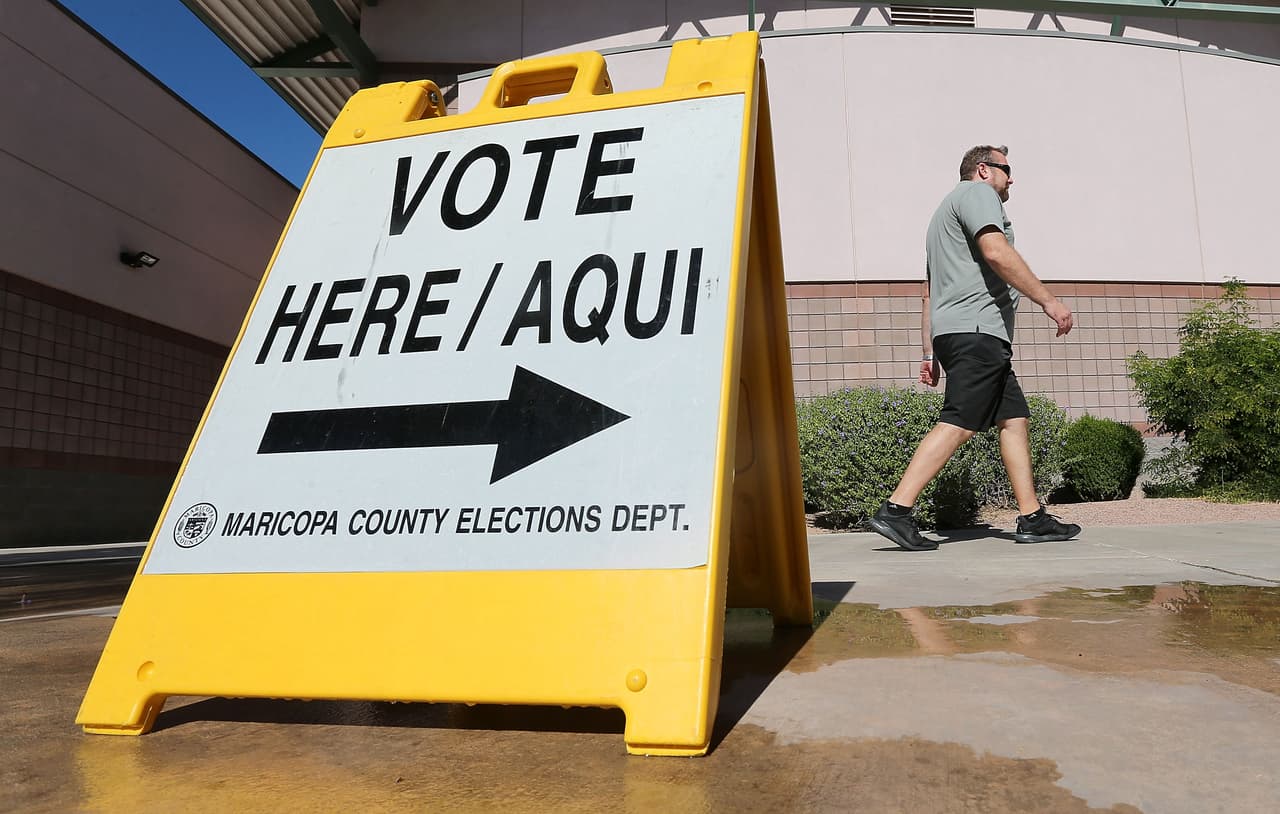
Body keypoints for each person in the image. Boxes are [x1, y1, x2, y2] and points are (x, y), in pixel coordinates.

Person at [867, 145, 1081, 552]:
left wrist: (930, 353)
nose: (1011, 178)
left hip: (961, 333)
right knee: (959, 421)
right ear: (983, 170)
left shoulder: (942, 217)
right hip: (977, 332)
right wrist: (1048, 301)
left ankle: (1032, 517)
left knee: (1013, 418)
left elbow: (929, 293)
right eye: (1006, 169)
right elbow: (996, 251)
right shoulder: (977, 194)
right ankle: (896, 510)